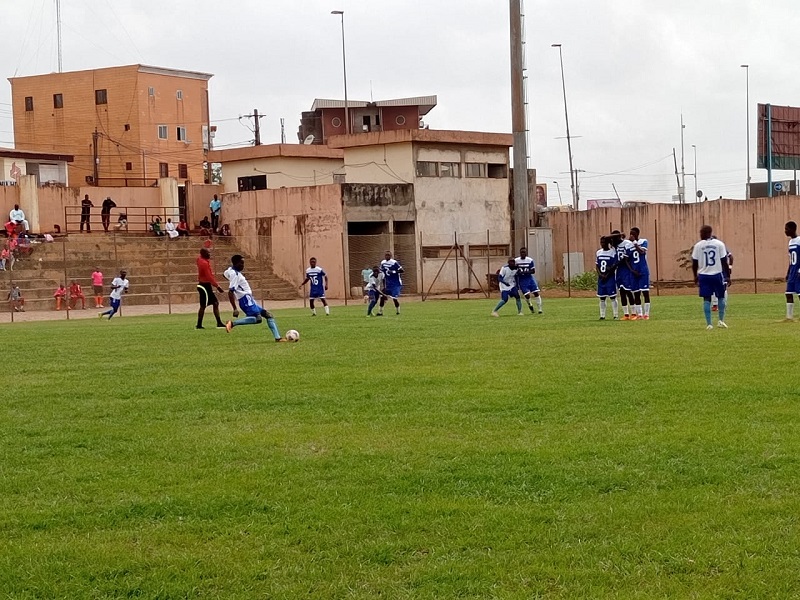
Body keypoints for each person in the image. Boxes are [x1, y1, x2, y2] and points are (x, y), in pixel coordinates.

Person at [224, 255, 285, 341]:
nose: (243, 265)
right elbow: (230, 292)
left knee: (268, 315)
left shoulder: (230, 271)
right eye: (241, 263)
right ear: (235, 263)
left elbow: (225, 274)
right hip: (245, 299)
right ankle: (232, 324)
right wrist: (234, 308)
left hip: (249, 299)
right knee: (258, 319)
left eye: (243, 263)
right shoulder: (235, 275)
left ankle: (278, 338)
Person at [691, 225, 729, 330]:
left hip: (704, 275)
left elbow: (694, 263)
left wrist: (695, 276)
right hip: (717, 274)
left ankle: (709, 324)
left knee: (707, 299)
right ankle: (720, 321)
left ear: (706, 233)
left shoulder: (698, 246)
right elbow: (724, 261)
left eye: (701, 233)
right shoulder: (719, 244)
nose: (700, 235)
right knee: (720, 297)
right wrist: (728, 276)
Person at [196, 247, 226, 329]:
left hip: (205, 285)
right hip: (204, 286)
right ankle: (199, 325)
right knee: (203, 306)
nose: (209, 254)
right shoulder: (204, 263)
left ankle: (219, 322)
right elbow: (209, 277)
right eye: (208, 253)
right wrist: (217, 286)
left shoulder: (201, 260)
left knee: (215, 303)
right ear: (203, 254)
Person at [610, 230, 638, 320]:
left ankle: (634, 313)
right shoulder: (615, 246)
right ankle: (626, 314)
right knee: (621, 292)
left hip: (626, 269)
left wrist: (614, 265)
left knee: (628, 291)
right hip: (619, 271)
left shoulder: (627, 243)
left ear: (619, 237)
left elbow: (625, 258)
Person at [629, 227, 651, 320]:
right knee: (636, 293)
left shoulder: (643, 241)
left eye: (633, 233)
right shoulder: (628, 245)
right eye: (630, 233)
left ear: (637, 234)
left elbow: (642, 252)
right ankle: (640, 314)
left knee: (645, 292)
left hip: (643, 270)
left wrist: (634, 243)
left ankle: (646, 314)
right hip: (634, 271)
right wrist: (632, 270)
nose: (631, 235)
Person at [514, 247, 543, 314]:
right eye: (521, 252)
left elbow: (533, 271)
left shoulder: (530, 260)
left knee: (536, 293)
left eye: (524, 252)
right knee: (527, 295)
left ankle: (540, 309)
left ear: (526, 253)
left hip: (530, 278)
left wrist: (525, 272)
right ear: (520, 253)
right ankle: (530, 305)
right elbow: (514, 269)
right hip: (522, 280)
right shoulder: (516, 260)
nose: (523, 253)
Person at [596, 236, 619, 320]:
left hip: (610, 278)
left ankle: (615, 315)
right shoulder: (598, 252)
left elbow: (614, 265)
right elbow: (597, 266)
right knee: (602, 298)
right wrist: (600, 275)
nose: (602, 244)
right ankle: (602, 315)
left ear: (608, 243)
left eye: (604, 242)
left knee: (612, 297)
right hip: (601, 278)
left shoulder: (612, 252)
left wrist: (607, 274)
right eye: (601, 242)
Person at [377, 250, 403, 316]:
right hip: (388, 284)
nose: (387, 256)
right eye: (386, 255)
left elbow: (402, 270)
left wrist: (393, 272)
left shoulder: (394, 262)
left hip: (396, 284)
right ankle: (380, 312)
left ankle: (398, 311)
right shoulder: (383, 262)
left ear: (391, 256)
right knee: (382, 296)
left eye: (388, 255)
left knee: (394, 298)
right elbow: (381, 271)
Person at [784, 221, 800, 321]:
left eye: (787, 229)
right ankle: (789, 317)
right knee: (788, 293)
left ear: (793, 229)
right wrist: (788, 272)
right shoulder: (790, 242)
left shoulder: (799, 240)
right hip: (792, 272)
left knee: (799, 294)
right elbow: (791, 259)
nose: (785, 231)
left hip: (798, 271)